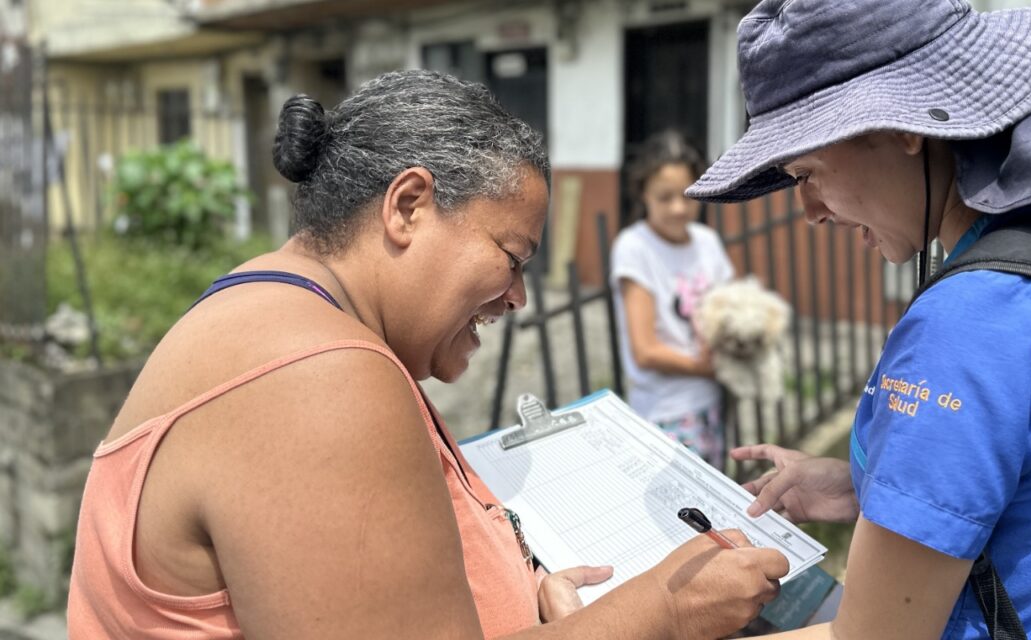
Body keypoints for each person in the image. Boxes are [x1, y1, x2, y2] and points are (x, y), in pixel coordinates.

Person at [66, 70, 788, 640]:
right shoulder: (314, 381)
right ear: (408, 205)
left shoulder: (283, 315)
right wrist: (660, 612)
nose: (518, 299)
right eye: (512, 257)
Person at [683, 1, 1031, 638]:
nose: (810, 211)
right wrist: (867, 487)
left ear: (907, 127)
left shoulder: (971, 324)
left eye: (808, 173)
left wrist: (641, 623)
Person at [611, 131, 736, 467]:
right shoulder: (635, 248)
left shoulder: (707, 242)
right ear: (643, 195)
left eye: (686, 195)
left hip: (710, 403)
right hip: (664, 412)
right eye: (664, 197)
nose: (678, 208)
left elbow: (729, 312)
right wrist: (708, 366)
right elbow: (645, 351)